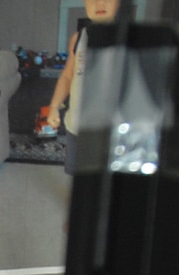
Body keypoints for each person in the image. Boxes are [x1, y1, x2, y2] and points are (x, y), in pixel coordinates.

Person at [37, 0, 122, 173]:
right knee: (76, 171)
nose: (99, 3)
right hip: (76, 124)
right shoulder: (79, 38)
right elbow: (68, 76)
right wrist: (54, 107)